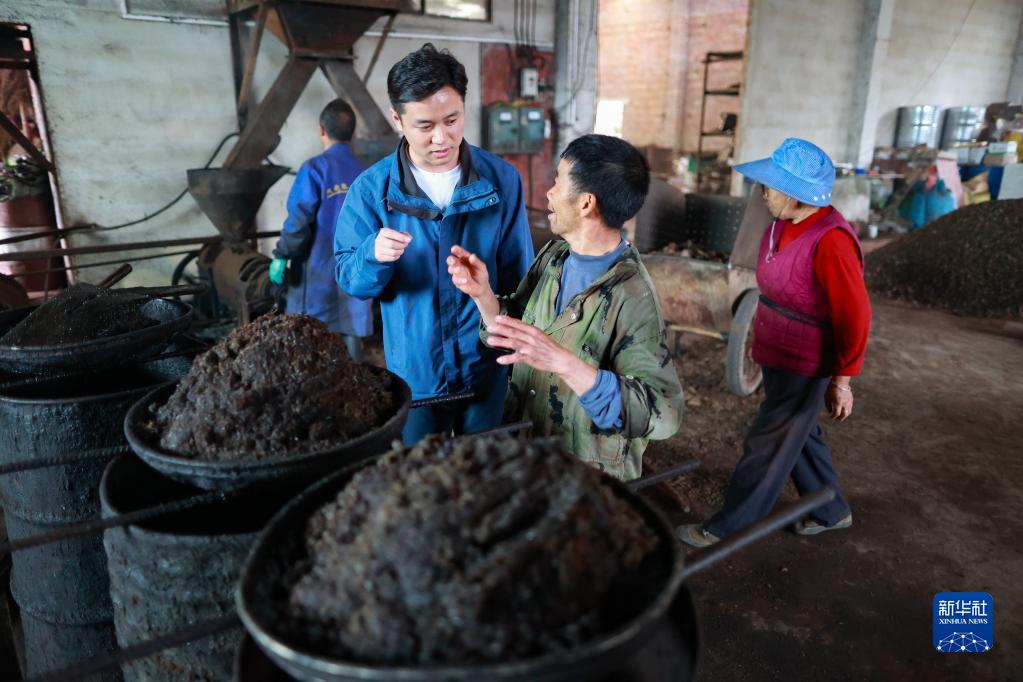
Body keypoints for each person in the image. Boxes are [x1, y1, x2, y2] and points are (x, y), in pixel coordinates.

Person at [446, 134, 683, 481]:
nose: (549, 192)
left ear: (586, 203)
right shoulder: (555, 258)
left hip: (584, 481)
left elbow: (663, 412)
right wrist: (483, 295)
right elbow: (517, 337)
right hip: (528, 455)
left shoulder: (630, 294)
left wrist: (564, 363)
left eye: (558, 180)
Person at [334, 44, 534, 444]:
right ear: (397, 119)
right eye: (424, 125)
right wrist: (372, 256)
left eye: (452, 119)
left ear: (464, 108)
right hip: (416, 372)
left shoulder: (501, 180)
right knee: (424, 474)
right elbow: (350, 279)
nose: (441, 138)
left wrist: (517, 354)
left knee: (484, 468)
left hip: (487, 366)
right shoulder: (373, 191)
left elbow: (521, 278)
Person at [678, 138, 871, 547]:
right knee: (799, 433)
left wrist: (842, 380)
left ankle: (729, 525)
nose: (763, 192)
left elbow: (854, 315)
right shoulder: (781, 225)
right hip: (777, 351)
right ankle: (830, 510)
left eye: (771, 186)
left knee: (769, 441)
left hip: (806, 361)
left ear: (797, 195)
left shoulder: (832, 241)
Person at [269, 99, 371, 360]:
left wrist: (281, 255)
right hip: (357, 271)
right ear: (353, 133)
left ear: (322, 130)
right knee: (352, 334)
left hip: (318, 272)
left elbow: (298, 222)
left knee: (309, 340)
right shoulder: (367, 173)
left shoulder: (314, 169)